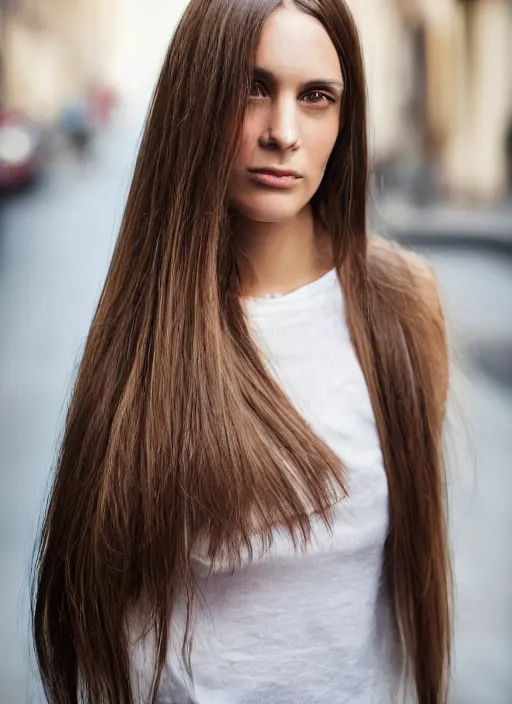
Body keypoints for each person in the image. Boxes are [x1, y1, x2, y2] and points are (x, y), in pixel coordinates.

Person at [32, 0, 452, 702]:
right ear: (196, 99)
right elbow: (95, 623)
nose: (282, 132)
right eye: (252, 88)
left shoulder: (401, 304)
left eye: (316, 97)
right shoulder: (151, 325)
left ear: (345, 120)